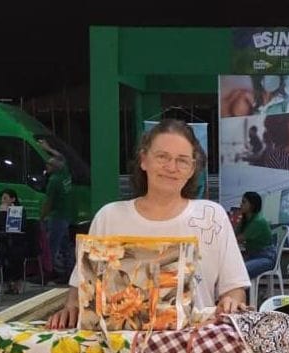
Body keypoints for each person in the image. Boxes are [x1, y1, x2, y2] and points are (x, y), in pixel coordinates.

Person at [48, 119, 251, 329]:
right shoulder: (110, 217)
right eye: (162, 157)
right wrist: (71, 307)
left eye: (182, 160)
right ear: (144, 160)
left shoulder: (211, 217)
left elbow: (234, 289)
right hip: (119, 343)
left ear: (192, 169)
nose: (171, 167)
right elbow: (81, 287)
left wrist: (231, 302)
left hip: (192, 342)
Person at [39, 150, 75, 284]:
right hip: (66, 216)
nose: (46, 166)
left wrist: (42, 217)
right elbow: (61, 156)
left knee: (50, 248)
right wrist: (47, 148)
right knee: (66, 247)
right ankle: (69, 273)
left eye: (49, 164)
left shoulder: (54, 181)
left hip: (57, 217)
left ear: (54, 168)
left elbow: (48, 203)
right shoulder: (65, 173)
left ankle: (47, 274)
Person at [236, 191, 276, 278]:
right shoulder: (245, 220)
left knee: (240, 271)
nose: (240, 204)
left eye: (244, 202)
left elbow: (236, 239)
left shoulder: (258, 221)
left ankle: (243, 287)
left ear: (252, 205)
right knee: (230, 269)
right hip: (252, 256)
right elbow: (233, 234)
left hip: (265, 257)